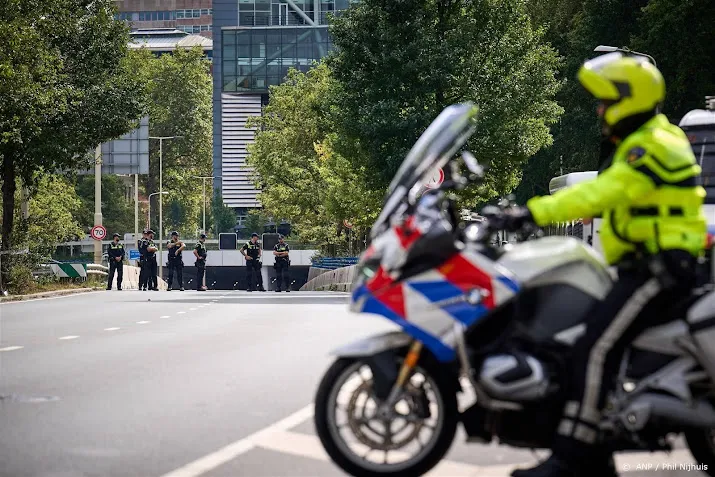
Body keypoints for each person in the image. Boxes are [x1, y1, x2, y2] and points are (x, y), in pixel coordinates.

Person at [501, 53, 708, 477]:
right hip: (645, 264)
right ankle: (594, 456)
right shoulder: (648, 141)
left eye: (605, 101)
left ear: (629, 100)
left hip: (659, 268)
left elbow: (601, 194)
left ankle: (574, 457)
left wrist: (530, 212)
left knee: (594, 348)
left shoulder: (651, 146)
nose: (599, 110)